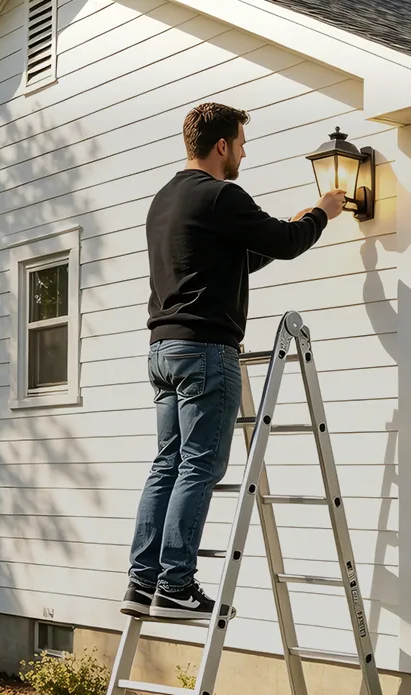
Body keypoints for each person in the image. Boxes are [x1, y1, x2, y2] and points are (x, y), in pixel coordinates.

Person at [121, 102, 346, 622]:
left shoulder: (165, 201)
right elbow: (287, 244)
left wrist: (292, 225)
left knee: (167, 464)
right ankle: (176, 584)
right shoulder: (222, 195)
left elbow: (240, 257)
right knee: (200, 466)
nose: (244, 151)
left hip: (162, 350)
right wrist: (322, 212)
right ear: (221, 146)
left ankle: (142, 580)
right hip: (204, 351)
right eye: (242, 142)